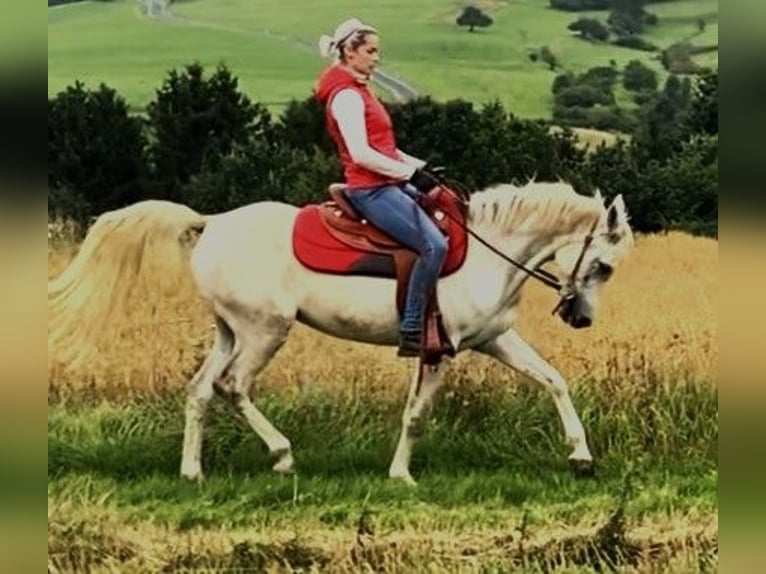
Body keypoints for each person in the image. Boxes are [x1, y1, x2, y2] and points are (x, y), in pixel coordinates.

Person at [313, 18, 448, 358]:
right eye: (370, 51)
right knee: (434, 246)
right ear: (349, 52)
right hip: (370, 190)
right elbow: (361, 153)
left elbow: (386, 148)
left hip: (388, 182)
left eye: (377, 52)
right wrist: (409, 175)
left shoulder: (361, 90)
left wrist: (422, 168)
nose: (376, 58)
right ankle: (412, 327)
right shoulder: (346, 97)